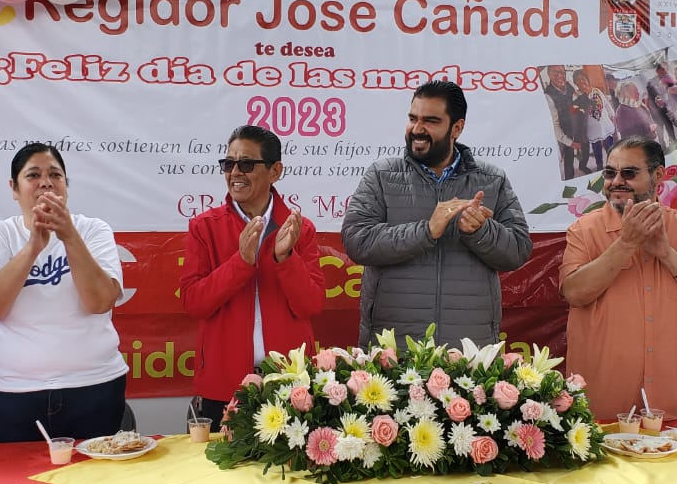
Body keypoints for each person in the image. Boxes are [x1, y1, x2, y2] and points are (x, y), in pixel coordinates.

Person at [342, 80, 532, 348]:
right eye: (412, 118)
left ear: (457, 128)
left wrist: (481, 232)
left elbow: (519, 250)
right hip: (394, 352)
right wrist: (427, 230)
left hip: (469, 351)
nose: (417, 130)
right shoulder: (382, 175)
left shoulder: (492, 179)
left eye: (430, 121)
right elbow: (356, 241)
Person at [0, 142, 129, 442]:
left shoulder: (93, 230)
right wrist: (32, 248)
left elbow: (100, 301)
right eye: (33, 175)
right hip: (12, 394)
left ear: (66, 185)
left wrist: (68, 236)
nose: (45, 182)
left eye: (55, 174)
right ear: (14, 188)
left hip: (93, 388)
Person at [559, 137, 677, 419]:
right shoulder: (584, 230)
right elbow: (574, 293)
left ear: (658, 175)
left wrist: (667, 253)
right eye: (610, 173)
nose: (616, 182)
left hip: (674, 407)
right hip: (602, 408)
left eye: (629, 173)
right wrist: (626, 243)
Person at [180, 125, 326, 430]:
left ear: (275, 171)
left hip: (290, 383)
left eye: (246, 164)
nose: (235, 172)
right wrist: (241, 262)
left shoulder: (300, 229)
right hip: (223, 387)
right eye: (228, 164)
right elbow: (194, 304)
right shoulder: (204, 227)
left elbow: (311, 305)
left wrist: (286, 258)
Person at [542, 63, 580, 180]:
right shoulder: (548, 96)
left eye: (562, 72)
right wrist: (569, 142)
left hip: (578, 129)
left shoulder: (570, 87)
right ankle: (570, 181)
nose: (560, 75)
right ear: (549, 74)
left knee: (582, 153)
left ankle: (582, 164)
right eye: (556, 72)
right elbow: (555, 126)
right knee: (568, 162)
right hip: (565, 135)